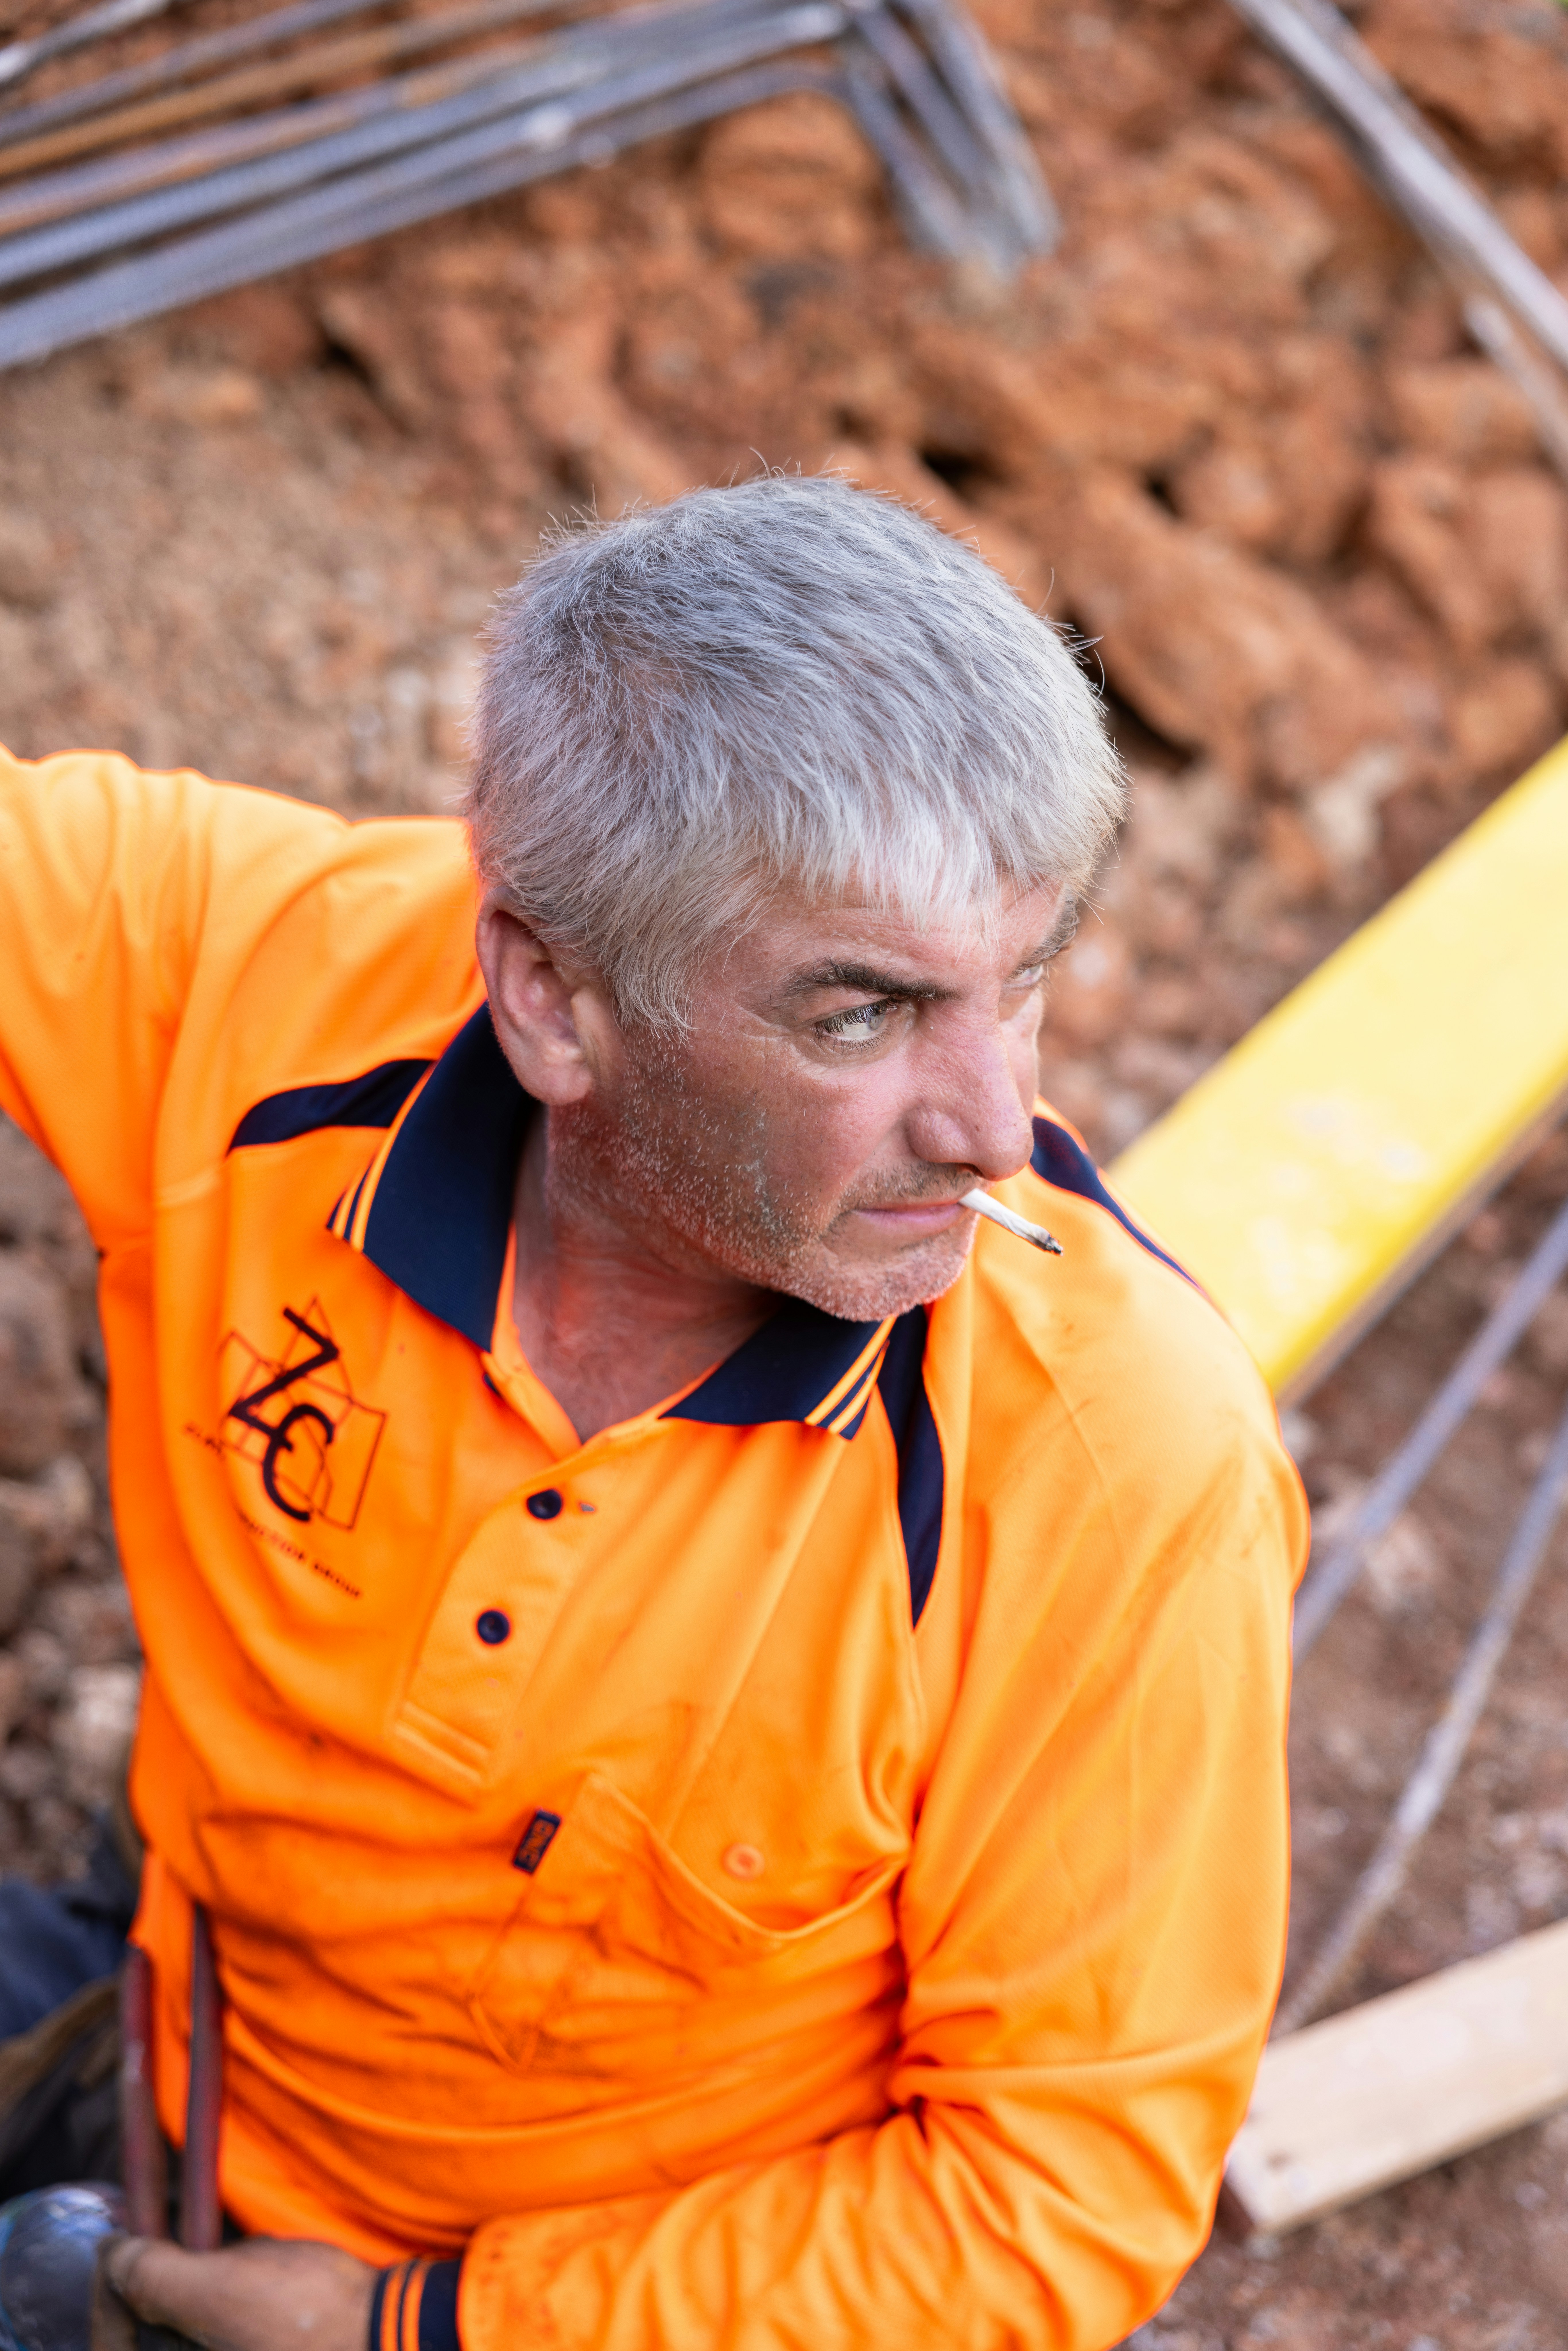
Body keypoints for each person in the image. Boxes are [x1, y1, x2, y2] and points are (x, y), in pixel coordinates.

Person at [0, 473, 1305, 2351]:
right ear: (548, 997)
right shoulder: (263, 1004)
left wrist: (407, 2330)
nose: (995, 1123)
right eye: (860, 1014)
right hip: (174, 2065)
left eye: (1022, 979)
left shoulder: (1107, 1467)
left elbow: (1049, 2204)